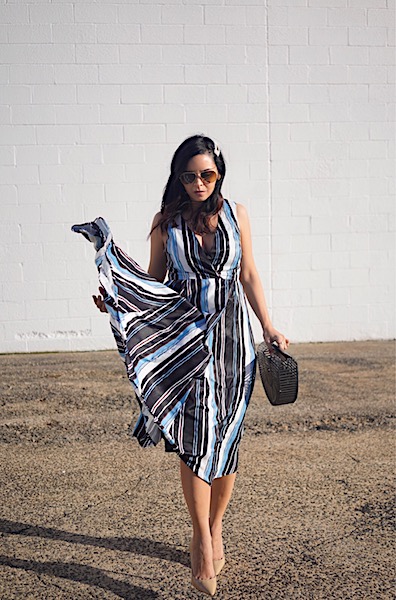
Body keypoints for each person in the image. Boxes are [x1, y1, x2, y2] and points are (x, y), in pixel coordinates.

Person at [92, 134, 289, 597]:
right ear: (178, 178)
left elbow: (249, 274)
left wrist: (269, 326)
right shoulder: (166, 223)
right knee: (196, 441)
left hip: (233, 344)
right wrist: (116, 301)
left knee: (227, 438)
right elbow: (151, 281)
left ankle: (217, 525)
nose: (198, 183)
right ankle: (201, 538)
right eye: (189, 175)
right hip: (185, 344)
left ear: (219, 173)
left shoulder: (237, 215)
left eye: (207, 174)